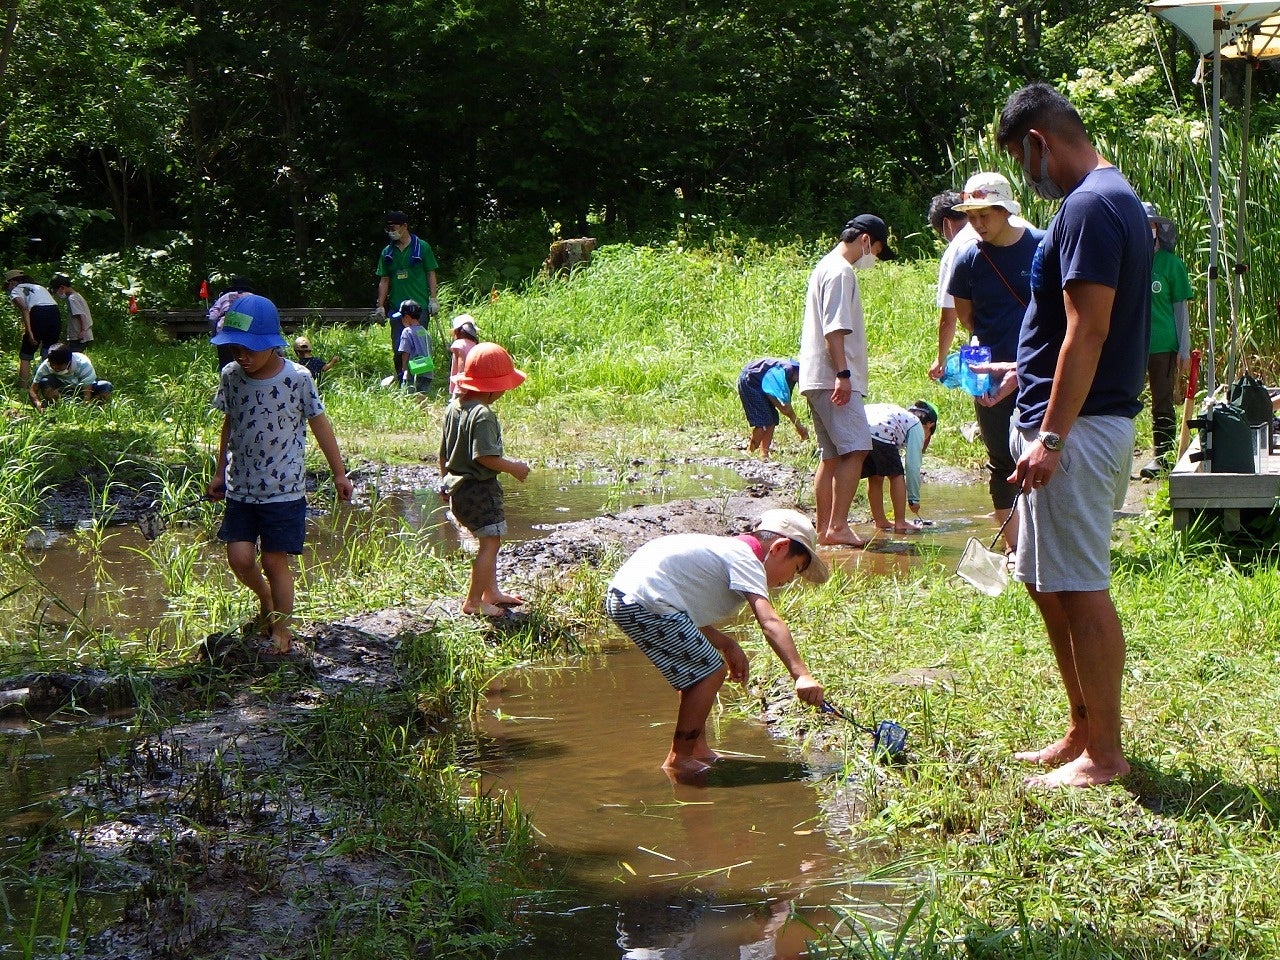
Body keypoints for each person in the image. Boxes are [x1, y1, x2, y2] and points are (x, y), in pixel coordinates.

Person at [987, 82, 1151, 788]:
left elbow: (1091, 330)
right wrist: (1024, 372)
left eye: (1025, 164)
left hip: (1076, 432)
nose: (1032, 178)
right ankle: (1082, 729)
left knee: (1080, 588)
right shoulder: (1114, 200)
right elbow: (1070, 331)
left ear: (1037, 142)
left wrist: (1049, 438)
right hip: (1065, 417)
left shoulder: (1088, 205)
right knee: (1046, 584)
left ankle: (1105, 756)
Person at [604, 508, 828, 781]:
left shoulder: (724, 551)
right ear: (780, 548)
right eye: (796, 569)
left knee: (697, 669)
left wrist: (725, 642)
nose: (789, 581)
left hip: (628, 597)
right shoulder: (747, 559)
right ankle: (679, 760)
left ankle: (696, 749)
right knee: (710, 671)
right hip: (646, 600)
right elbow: (769, 621)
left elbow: (682, 606)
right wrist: (801, 674)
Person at [206, 294, 353, 655]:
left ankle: (282, 631)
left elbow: (320, 423)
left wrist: (339, 473)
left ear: (272, 344)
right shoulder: (232, 377)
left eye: (249, 349)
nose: (242, 356)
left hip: (284, 492)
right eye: (235, 348)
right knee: (239, 558)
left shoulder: (297, 378)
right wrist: (218, 471)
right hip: (241, 488)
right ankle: (267, 597)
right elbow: (229, 422)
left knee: (274, 560)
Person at [949, 172, 1045, 553]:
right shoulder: (969, 258)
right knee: (1000, 460)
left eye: (983, 215)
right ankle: (1016, 548)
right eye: (971, 217)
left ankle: (1045, 542)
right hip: (990, 375)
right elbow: (966, 316)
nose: (976, 224)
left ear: (1005, 209)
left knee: (1042, 452)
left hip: (1039, 371)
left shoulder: (1040, 247)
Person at [798, 214, 895, 547]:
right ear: (865, 240)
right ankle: (838, 526)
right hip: (832, 376)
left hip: (815, 376)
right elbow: (834, 329)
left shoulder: (824, 266)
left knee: (832, 456)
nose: (875, 258)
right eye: (878, 250)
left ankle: (824, 529)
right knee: (858, 448)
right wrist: (843, 374)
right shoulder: (841, 271)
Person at [438, 342, 529, 619]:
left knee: (488, 540)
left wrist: (444, 482)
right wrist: (514, 467)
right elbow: (485, 458)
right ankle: (474, 602)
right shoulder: (483, 414)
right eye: (503, 385)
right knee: (490, 543)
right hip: (479, 488)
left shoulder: (453, 408)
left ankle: (492, 592)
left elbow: (442, 453)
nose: (504, 391)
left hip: (458, 489)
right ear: (492, 386)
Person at [1140, 201, 1192, 477]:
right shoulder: (1129, 261)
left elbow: (1180, 310)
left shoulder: (1172, 265)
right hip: (1132, 346)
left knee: (1162, 402)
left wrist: (1184, 349)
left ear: (1158, 229)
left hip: (1163, 346)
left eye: (1150, 224)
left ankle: (1162, 457)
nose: (1146, 229)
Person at [375, 211, 439, 380]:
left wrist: (433, 299)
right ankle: (402, 380)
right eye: (388, 228)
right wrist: (380, 306)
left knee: (420, 348)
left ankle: (421, 384)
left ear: (404, 226)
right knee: (399, 348)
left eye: (393, 227)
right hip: (398, 309)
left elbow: (430, 273)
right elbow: (384, 279)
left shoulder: (422, 247)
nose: (390, 231)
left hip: (420, 308)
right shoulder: (387, 252)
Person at [859, 401, 938, 532]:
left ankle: (880, 521)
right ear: (930, 425)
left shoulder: (902, 417)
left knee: (875, 476)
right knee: (896, 475)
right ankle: (900, 522)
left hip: (859, 427)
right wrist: (914, 500)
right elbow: (912, 466)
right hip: (882, 432)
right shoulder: (916, 425)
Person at [927, 191, 976, 382]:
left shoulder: (958, 247)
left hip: (991, 338)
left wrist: (940, 359)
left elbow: (949, 316)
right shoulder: (1010, 227)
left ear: (946, 224)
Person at [737, 357, 809, 460]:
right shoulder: (785, 371)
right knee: (763, 423)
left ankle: (764, 454)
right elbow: (778, 400)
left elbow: (784, 401)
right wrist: (798, 426)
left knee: (772, 420)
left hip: (762, 384)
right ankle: (750, 452)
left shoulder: (791, 378)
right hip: (751, 381)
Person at [5, 270, 62, 386]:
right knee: (48, 351)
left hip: (38, 313)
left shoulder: (15, 290)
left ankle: (23, 387)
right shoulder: (39, 287)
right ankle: (47, 385)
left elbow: (25, 309)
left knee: (26, 354)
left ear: (11, 282)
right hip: (55, 313)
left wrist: (29, 332)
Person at [29, 343, 112, 411]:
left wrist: (86, 404)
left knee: (106, 386)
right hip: (62, 390)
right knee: (44, 381)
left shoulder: (83, 364)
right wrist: (38, 404)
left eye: (59, 366)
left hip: (82, 389)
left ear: (68, 362)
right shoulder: (45, 366)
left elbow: (87, 390)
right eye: (52, 364)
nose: (54, 368)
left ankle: (94, 407)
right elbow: (33, 389)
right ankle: (56, 406)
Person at [208, 277, 254, 371]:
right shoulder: (252, 297)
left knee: (225, 363)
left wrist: (214, 335)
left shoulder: (224, 297)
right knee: (248, 361)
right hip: (247, 331)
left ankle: (226, 381)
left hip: (224, 331)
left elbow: (212, 317)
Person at [395, 299, 434, 395]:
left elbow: (405, 352)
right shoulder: (424, 331)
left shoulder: (407, 331)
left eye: (402, 317)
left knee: (410, 397)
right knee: (422, 397)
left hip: (413, 371)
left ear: (407, 317)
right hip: (427, 371)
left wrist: (404, 368)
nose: (401, 320)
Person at [48, 276, 94, 352]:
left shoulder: (72, 298)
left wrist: (83, 331)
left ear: (62, 287)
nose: (57, 294)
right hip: (84, 335)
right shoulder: (77, 295)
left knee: (72, 359)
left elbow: (82, 315)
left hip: (78, 336)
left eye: (56, 291)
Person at [448, 314, 479, 396]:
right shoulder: (474, 344)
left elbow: (461, 367)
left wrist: (460, 386)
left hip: (461, 384)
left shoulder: (459, 344)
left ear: (457, 331)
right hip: (473, 384)